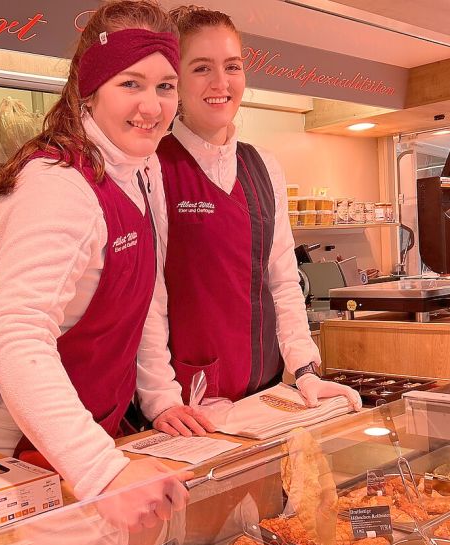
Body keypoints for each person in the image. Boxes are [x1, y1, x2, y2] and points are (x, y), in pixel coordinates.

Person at [0, 0, 186, 530]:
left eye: (165, 86)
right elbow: (15, 334)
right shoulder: (57, 184)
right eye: (130, 83)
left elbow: (147, 293)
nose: (151, 106)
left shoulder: (144, 168)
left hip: (77, 445)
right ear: (88, 90)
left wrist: (159, 396)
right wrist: (102, 470)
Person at [136, 5, 363, 437]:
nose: (221, 83)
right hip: (186, 409)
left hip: (264, 396)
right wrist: (160, 397)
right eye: (201, 68)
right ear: (176, 79)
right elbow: (148, 296)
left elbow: (282, 280)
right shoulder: (152, 167)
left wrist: (305, 369)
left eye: (232, 66)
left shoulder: (263, 166)